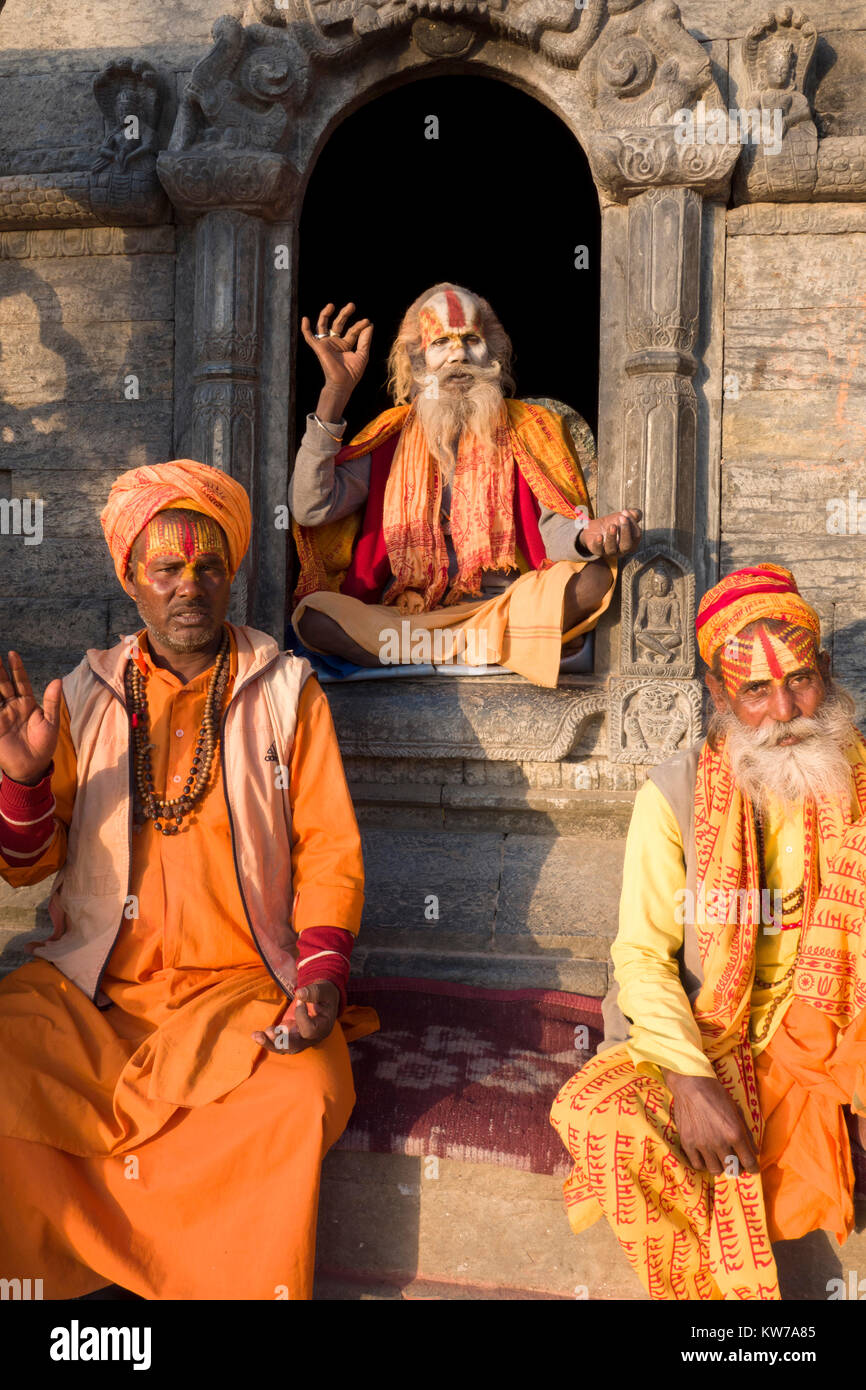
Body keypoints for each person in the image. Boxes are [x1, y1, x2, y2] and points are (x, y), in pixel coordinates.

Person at [0, 458, 375, 1300]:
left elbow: (328, 849)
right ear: (132, 575)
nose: (189, 586)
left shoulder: (283, 690)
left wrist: (318, 976)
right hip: (93, 992)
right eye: (167, 568)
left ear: (231, 571)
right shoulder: (82, 696)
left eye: (208, 567)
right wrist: (24, 780)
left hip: (240, 990)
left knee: (302, 1094)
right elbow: (26, 866)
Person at [551, 563, 866, 1300]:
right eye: (755, 690)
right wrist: (690, 1081)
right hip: (713, 1033)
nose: (784, 710)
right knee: (600, 1116)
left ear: (826, 672)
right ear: (721, 695)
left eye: (800, 681)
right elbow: (642, 957)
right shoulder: (674, 793)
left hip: (835, 1032)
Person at [288, 284, 642, 688]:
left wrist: (589, 536)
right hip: (408, 617)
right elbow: (310, 508)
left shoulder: (532, 427)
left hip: (505, 607)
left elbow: (555, 531)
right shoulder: (388, 437)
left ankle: (427, 656)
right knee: (314, 617)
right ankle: (497, 651)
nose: (458, 355)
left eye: (471, 340)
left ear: (491, 355)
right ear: (418, 361)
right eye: (441, 341)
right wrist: (334, 393)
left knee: (595, 579)